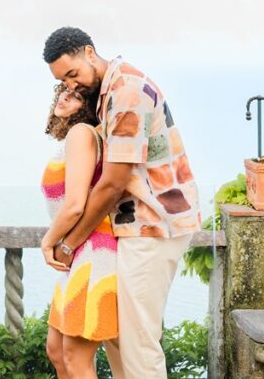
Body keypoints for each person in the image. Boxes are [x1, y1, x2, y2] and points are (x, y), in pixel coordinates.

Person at [41, 27, 202, 379]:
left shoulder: (126, 90)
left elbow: (113, 183)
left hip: (153, 223)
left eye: (73, 74)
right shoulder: (107, 93)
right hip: (134, 226)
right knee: (119, 339)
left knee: (138, 343)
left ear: (89, 51)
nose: (71, 85)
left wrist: (68, 243)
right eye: (62, 81)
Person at [40, 83, 118, 379]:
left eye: (76, 96)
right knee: (57, 352)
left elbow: (75, 204)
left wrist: (48, 241)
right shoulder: (78, 137)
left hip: (92, 252)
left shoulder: (82, 133)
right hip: (79, 251)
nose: (65, 97)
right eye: (63, 91)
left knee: (76, 359)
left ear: (88, 106)